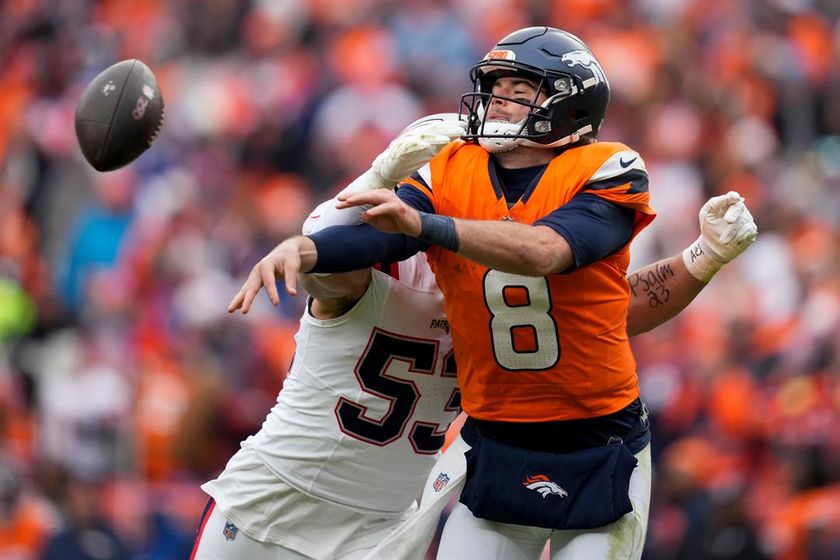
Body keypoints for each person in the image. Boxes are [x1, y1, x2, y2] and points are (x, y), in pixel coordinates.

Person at [224, 26, 757, 560]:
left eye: (519, 93)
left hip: (598, 439)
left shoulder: (605, 168)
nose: (498, 103)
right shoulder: (454, 169)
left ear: (570, 108)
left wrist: (427, 225)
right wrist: (306, 249)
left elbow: (548, 251)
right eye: (495, 89)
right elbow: (382, 232)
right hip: (495, 437)